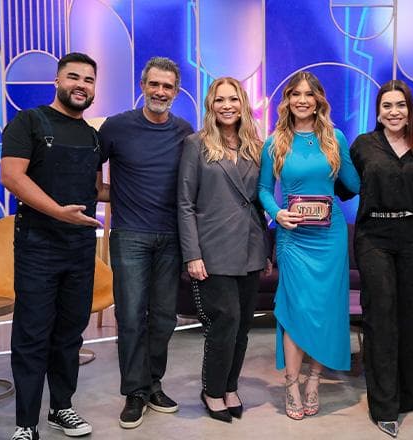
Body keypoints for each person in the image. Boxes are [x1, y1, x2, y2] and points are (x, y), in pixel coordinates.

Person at [1, 52, 107, 440]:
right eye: (73, 77)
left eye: (89, 80)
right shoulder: (28, 122)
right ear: (57, 81)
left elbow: (97, 191)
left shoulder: (93, 136)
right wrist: (59, 213)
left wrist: (154, 191)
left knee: (69, 333)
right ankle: (25, 424)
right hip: (37, 245)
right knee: (31, 334)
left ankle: (62, 408)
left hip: (79, 247)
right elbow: (12, 177)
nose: (81, 85)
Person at [258, 71, 360, 420]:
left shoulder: (335, 138)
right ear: (287, 100)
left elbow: (352, 182)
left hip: (329, 238)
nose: (302, 100)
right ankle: (291, 384)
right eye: (295, 94)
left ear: (319, 100)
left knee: (326, 311)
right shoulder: (275, 142)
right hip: (293, 238)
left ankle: (314, 381)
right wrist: (277, 213)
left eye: (309, 94)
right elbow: (262, 190)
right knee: (294, 311)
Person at [98, 57, 194, 429]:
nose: (160, 92)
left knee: (165, 318)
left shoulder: (184, 131)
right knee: (132, 316)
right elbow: (91, 165)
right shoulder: (116, 127)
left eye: (167, 86)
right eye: (154, 84)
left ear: (175, 91)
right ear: (143, 86)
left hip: (171, 237)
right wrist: (104, 193)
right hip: (130, 236)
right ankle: (134, 392)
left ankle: (153, 383)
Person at [177, 77, 271, 423]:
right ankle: (213, 390)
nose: (227, 105)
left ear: (244, 104)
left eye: (233, 98)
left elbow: (260, 201)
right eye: (220, 99)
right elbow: (184, 204)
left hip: (250, 247)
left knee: (244, 323)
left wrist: (266, 249)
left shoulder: (255, 146)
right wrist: (192, 254)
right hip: (212, 249)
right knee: (225, 321)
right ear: (210, 105)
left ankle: (231, 387)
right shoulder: (195, 144)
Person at [349, 80, 413, 438]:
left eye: (400, 105)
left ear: (409, 109)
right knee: (380, 316)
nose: (394, 111)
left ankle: (404, 395)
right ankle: (383, 406)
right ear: (378, 110)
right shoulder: (362, 146)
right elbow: (341, 183)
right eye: (387, 105)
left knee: (410, 316)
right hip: (374, 238)